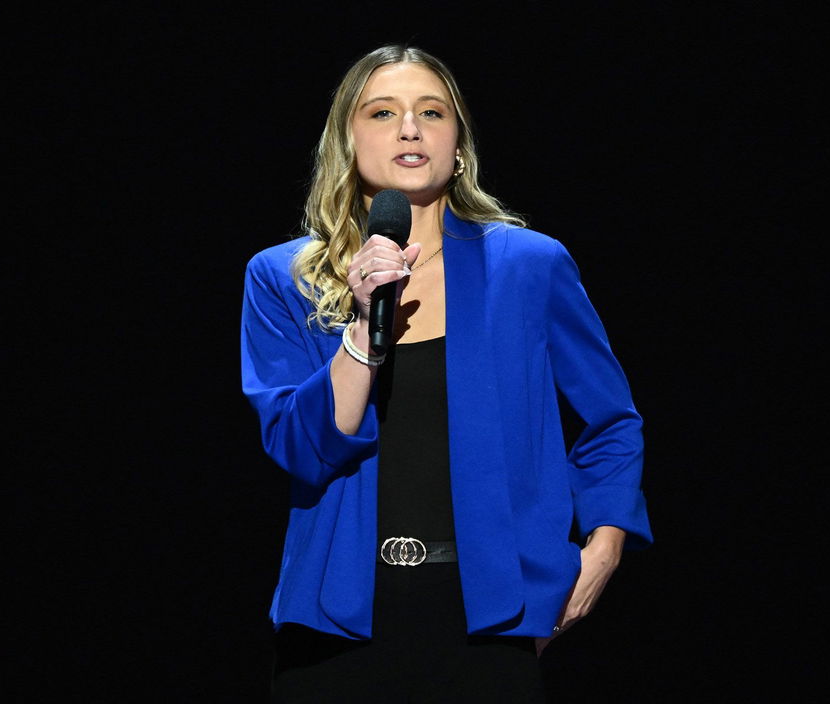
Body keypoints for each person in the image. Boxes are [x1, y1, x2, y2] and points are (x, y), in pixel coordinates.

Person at [240, 44, 652, 702]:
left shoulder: (528, 265)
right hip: (336, 625)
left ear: (457, 145)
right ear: (347, 138)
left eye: (431, 112)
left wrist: (603, 547)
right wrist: (362, 329)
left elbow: (612, 420)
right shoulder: (282, 277)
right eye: (382, 112)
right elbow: (299, 449)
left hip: (488, 623)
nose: (409, 127)